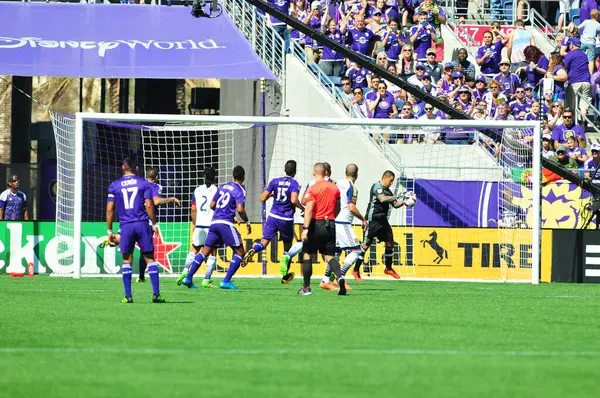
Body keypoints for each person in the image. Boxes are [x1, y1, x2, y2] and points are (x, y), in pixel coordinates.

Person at [181, 166, 251, 291]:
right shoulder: (240, 189)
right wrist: (247, 221)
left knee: (204, 252)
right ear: (243, 177)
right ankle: (226, 281)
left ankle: (188, 277)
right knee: (240, 252)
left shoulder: (223, 187)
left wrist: (219, 212)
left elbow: (212, 205)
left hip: (214, 223)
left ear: (232, 176)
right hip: (226, 223)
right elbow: (240, 209)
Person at [106, 157, 164, 304]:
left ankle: (128, 296)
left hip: (125, 226)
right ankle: (156, 295)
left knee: (127, 259)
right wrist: (154, 223)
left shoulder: (114, 185)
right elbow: (149, 205)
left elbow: (109, 209)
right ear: (136, 168)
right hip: (142, 224)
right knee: (150, 258)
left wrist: (109, 231)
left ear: (122, 168)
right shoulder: (144, 183)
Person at [243, 160, 304, 284]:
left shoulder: (274, 181)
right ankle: (285, 276)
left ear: (284, 169)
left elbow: (262, 198)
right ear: (295, 171)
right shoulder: (294, 183)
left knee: (264, 242)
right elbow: (293, 200)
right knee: (287, 250)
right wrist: (303, 208)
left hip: (273, 216)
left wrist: (272, 195)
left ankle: (254, 250)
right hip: (286, 219)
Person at [298, 162, 346, 296]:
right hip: (330, 224)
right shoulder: (334, 188)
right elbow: (338, 207)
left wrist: (305, 229)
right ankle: (340, 277)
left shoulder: (312, 188)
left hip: (315, 224)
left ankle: (306, 288)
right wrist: (331, 218)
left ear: (314, 173)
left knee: (308, 255)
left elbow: (309, 209)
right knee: (330, 256)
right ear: (326, 173)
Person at [320, 163, 368, 289]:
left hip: (331, 221)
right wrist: (363, 219)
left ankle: (325, 280)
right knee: (357, 250)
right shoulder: (352, 187)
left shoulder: (336, 183)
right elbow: (351, 208)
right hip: (343, 223)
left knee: (336, 252)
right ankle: (340, 276)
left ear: (344, 172)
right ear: (357, 174)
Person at [136, 167, 181, 283]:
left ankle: (141, 276)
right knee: (146, 250)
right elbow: (155, 201)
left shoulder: (139, 184)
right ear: (157, 177)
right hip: (147, 221)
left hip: (134, 218)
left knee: (134, 249)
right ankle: (147, 279)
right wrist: (172, 198)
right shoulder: (156, 186)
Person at [358, 170, 405, 279]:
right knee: (365, 245)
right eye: (391, 181)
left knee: (390, 242)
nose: (391, 183)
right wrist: (397, 196)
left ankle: (388, 268)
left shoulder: (388, 191)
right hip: (372, 220)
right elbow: (382, 199)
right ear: (385, 177)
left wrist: (405, 201)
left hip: (383, 221)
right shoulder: (377, 186)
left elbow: (395, 204)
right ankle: (356, 270)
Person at [177, 167, 219, 288]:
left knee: (194, 249)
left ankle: (185, 271)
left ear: (204, 177)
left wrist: (195, 223)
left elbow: (193, 209)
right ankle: (206, 279)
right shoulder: (217, 190)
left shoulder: (197, 190)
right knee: (212, 252)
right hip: (211, 225)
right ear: (215, 177)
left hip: (199, 224)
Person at [564, 38, 592, 118]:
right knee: (584, 105)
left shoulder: (570, 54)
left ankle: (574, 125)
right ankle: (582, 124)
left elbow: (565, 67)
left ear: (572, 45)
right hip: (586, 81)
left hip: (574, 82)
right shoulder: (584, 54)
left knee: (571, 105)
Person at [578, 9, 600, 75]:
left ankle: (579, 71)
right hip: (591, 43)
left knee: (580, 57)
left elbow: (578, 27)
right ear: (597, 16)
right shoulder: (598, 25)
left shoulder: (586, 21)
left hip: (583, 42)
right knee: (591, 60)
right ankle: (590, 75)